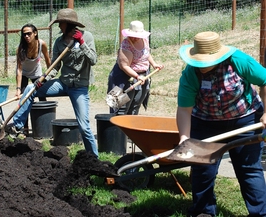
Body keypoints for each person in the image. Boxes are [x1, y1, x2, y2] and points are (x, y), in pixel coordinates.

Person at [176, 31, 266, 217]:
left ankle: (260, 214)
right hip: (205, 123)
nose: (199, 65)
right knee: (203, 171)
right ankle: (204, 212)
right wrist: (184, 138)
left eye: (203, 61)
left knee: (249, 171)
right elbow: (184, 109)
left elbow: (265, 80)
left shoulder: (239, 61)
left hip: (244, 120)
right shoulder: (190, 73)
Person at [6, 8, 98, 157]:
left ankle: (94, 158)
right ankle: (17, 126)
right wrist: (44, 79)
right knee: (31, 88)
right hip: (63, 83)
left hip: (79, 87)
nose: (59, 26)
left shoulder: (87, 37)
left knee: (84, 127)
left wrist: (81, 43)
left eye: (60, 23)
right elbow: (55, 67)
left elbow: (93, 60)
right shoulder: (59, 42)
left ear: (68, 23)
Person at [107, 20, 163, 115]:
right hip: (124, 79)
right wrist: (137, 76)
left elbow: (146, 53)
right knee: (120, 109)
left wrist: (154, 64)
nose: (136, 38)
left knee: (135, 106)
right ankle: (117, 129)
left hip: (142, 78)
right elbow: (124, 66)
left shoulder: (145, 40)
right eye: (134, 36)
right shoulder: (126, 45)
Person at [15, 24, 51, 135]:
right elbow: (19, 70)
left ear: (35, 33)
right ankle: (24, 129)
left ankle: (45, 128)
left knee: (42, 99)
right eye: (24, 34)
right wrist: (18, 89)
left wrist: (48, 77)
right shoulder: (21, 48)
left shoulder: (41, 44)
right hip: (24, 74)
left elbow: (48, 61)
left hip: (37, 74)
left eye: (29, 33)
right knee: (24, 101)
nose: (26, 36)